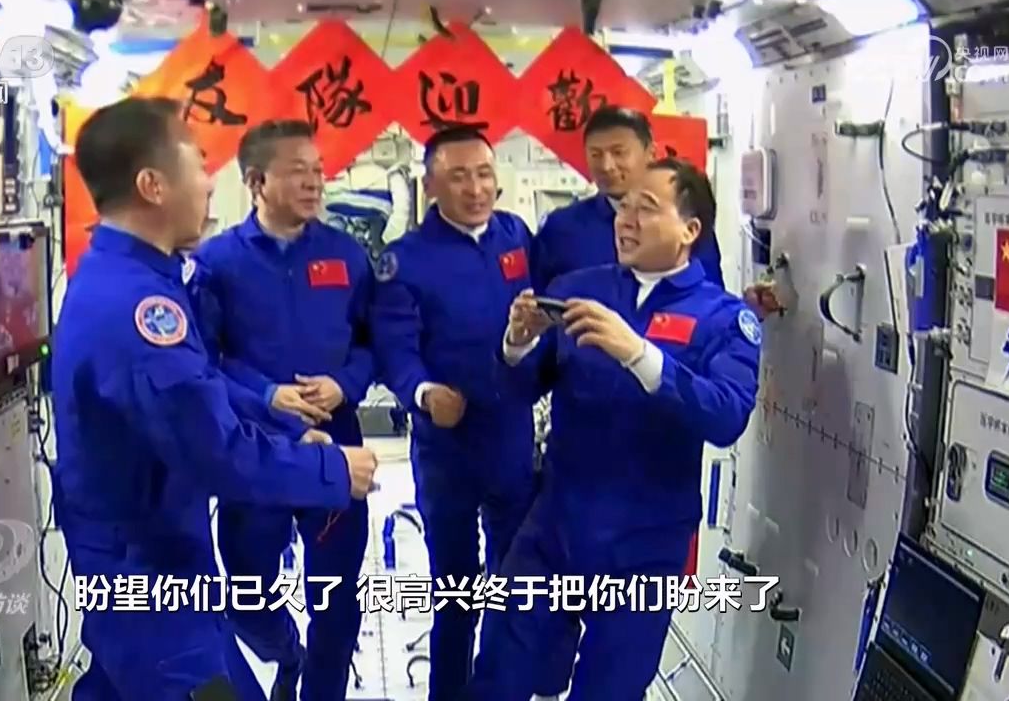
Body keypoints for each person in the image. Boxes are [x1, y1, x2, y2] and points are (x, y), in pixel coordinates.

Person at [50, 96, 378, 701]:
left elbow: (198, 383)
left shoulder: (135, 278)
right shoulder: (140, 307)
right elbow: (212, 449)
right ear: (153, 185)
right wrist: (331, 468)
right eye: (199, 164)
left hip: (160, 558)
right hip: (148, 577)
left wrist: (285, 426)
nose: (207, 183)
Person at [466, 158, 761, 701]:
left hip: (647, 539)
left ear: (689, 230)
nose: (626, 219)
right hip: (556, 525)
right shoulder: (578, 290)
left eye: (646, 208)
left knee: (610, 689)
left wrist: (641, 355)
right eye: (624, 207)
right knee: (499, 672)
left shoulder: (723, 318)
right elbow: (518, 388)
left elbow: (726, 417)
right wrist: (517, 342)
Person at [190, 119, 374, 701]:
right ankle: (285, 652)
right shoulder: (218, 262)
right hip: (254, 449)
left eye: (318, 170)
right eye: (298, 172)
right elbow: (205, 360)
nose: (315, 182)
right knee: (248, 591)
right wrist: (266, 396)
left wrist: (345, 384)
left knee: (337, 598)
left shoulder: (347, 255)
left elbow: (373, 343)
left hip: (335, 447)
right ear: (256, 182)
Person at [371, 125, 538, 701]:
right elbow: (395, 348)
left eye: (484, 174)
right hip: (447, 448)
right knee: (457, 593)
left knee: (515, 584)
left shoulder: (516, 237)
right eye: (459, 176)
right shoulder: (405, 261)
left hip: (511, 436)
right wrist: (422, 393)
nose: (476, 188)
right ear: (431, 185)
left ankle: (498, 691)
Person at [531, 105, 724, 293]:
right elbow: (540, 301)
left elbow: (709, 297)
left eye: (618, 152)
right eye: (596, 154)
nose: (606, 166)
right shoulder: (560, 228)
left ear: (651, 153)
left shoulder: (680, 223)